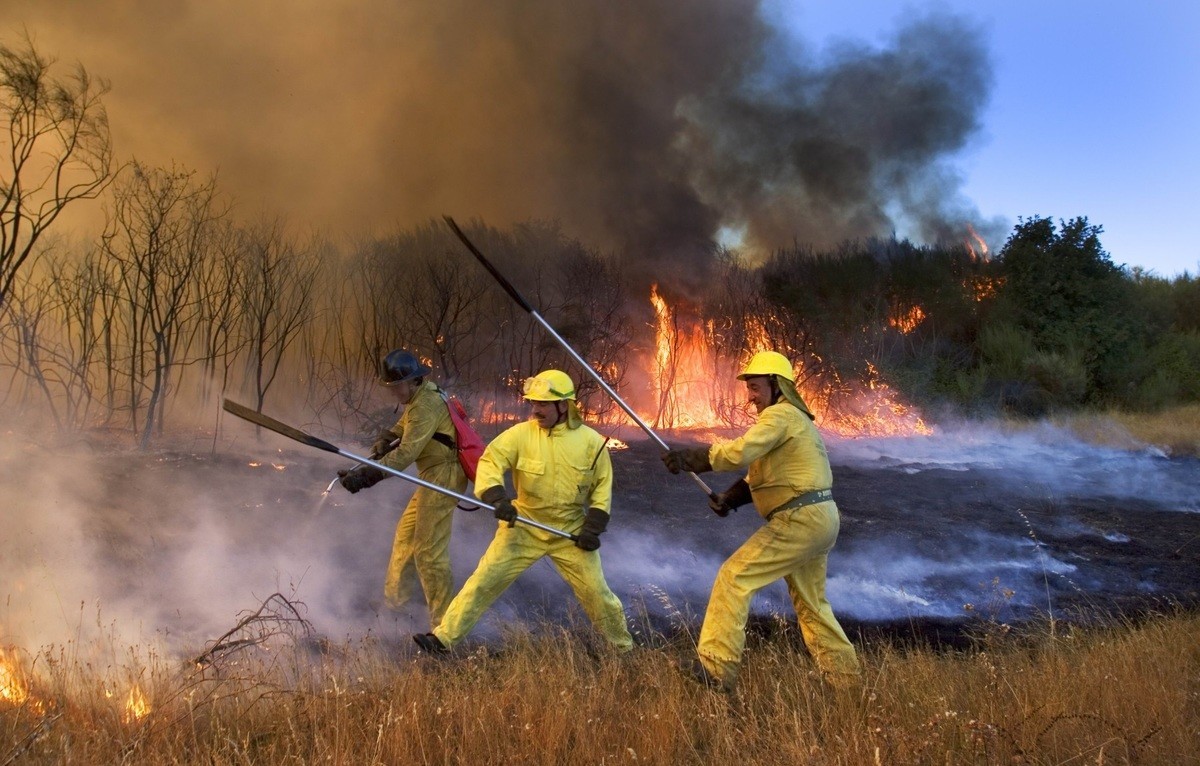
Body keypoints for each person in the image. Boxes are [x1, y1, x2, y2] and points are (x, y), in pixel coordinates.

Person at [661, 350, 860, 693]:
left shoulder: (781, 415)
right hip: (818, 517)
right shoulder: (794, 421)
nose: (750, 396)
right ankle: (847, 684)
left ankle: (717, 668)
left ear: (777, 384)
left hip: (800, 518)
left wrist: (695, 458)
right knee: (812, 605)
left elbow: (741, 452)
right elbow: (758, 476)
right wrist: (730, 499)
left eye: (755, 387)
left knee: (734, 577)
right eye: (748, 388)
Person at [412, 369, 633, 655]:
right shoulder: (519, 435)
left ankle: (622, 648)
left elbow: (602, 488)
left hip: (569, 531)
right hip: (523, 526)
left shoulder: (592, 443)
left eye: (542, 404)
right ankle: (443, 639)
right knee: (483, 582)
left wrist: (593, 527)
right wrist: (497, 497)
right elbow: (490, 462)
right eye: (533, 403)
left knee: (597, 594)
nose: (535, 410)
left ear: (563, 405)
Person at [338, 349, 466, 632]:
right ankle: (395, 605)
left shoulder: (426, 404)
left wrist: (365, 477)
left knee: (428, 551)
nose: (394, 392)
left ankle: (445, 626)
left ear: (412, 380)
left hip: (444, 475)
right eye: (391, 387)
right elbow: (404, 427)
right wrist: (387, 437)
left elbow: (407, 454)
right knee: (406, 536)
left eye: (397, 386)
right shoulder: (420, 396)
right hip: (432, 475)